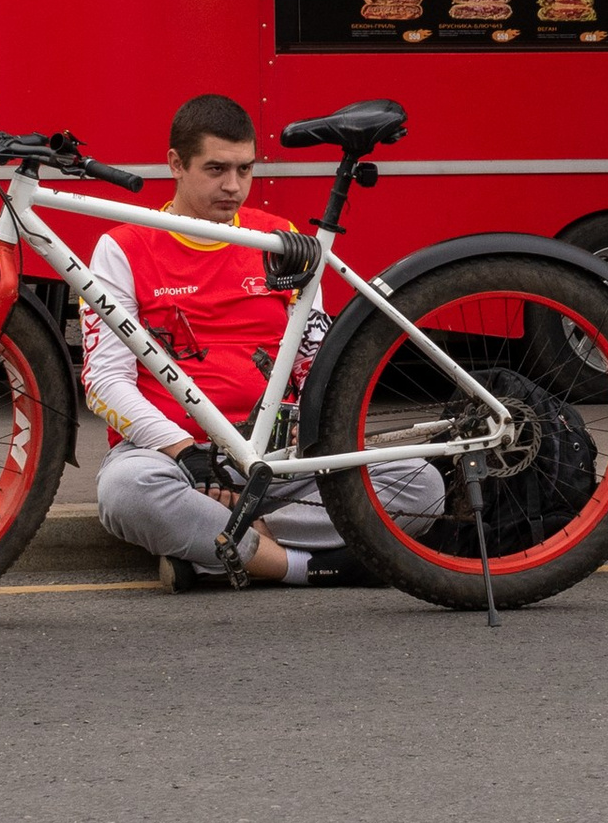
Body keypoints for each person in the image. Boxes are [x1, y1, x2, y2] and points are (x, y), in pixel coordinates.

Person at [85, 93, 446, 589]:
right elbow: (104, 382)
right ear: (175, 164)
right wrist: (183, 448)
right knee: (126, 493)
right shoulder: (123, 246)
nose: (233, 187)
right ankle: (304, 565)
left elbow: (313, 354)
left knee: (423, 486)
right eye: (215, 169)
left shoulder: (280, 238)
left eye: (245, 169)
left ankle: (225, 548)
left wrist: (314, 429)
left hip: (279, 459)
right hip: (178, 460)